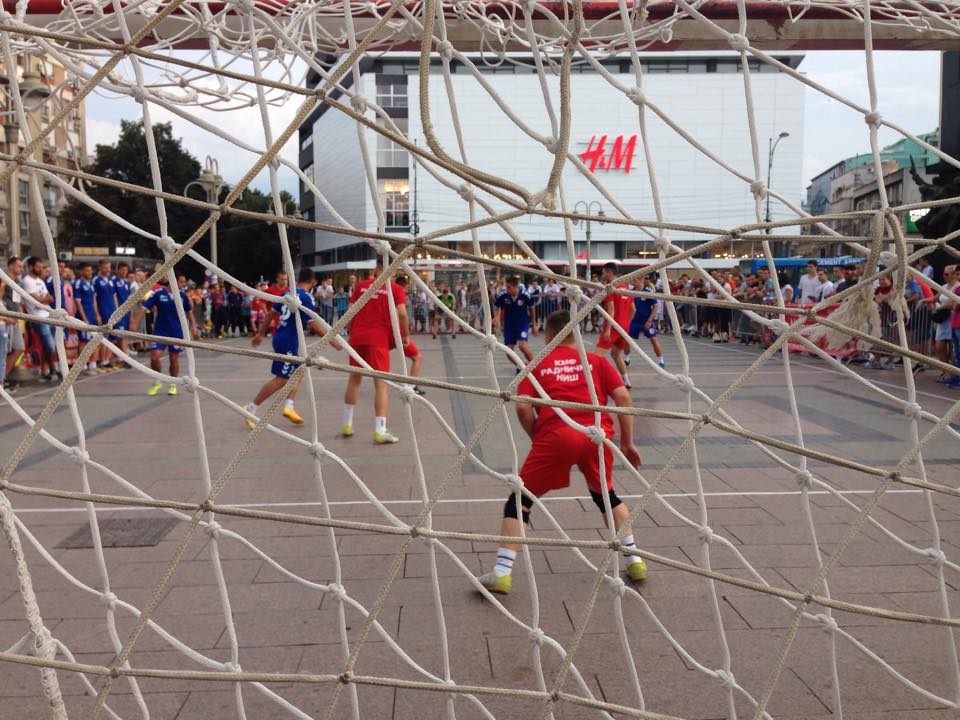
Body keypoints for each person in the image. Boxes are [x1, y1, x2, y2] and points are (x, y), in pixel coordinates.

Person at [476, 310, 647, 595]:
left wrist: (537, 437)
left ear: (548, 334)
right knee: (606, 496)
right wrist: (628, 443)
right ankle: (635, 561)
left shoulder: (538, 364)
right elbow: (624, 399)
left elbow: (521, 406)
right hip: (597, 435)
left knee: (520, 499)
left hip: (557, 435)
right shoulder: (597, 361)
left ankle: (502, 573)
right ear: (577, 334)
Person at [246, 268, 334, 426]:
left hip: (281, 337)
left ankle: (289, 406)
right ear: (313, 282)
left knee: (300, 370)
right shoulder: (305, 297)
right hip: (288, 341)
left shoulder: (287, 294)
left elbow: (270, 315)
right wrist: (332, 340)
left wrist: (260, 333)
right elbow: (312, 323)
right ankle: (251, 408)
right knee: (281, 379)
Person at [341, 260, 408, 444]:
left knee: (354, 381)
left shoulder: (362, 286)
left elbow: (350, 312)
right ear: (392, 270)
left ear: (376, 269)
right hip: (377, 340)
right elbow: (402, 313)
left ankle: (347, 424)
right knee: (381, 384)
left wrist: (350, 331)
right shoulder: (395, 288)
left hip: (357, 338)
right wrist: (405, 335)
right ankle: (380, 430)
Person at [132, 275, 197, 396]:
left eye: (183, 282)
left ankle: (172, 384)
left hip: (176, 332)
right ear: (173, 280)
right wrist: (135, 322)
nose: (183, 284)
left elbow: (189, 312)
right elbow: (144, 307)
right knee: (154, 356)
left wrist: (193, 325)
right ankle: (157, 381)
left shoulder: (182, 295)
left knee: (174, 359)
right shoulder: (159, 293)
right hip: (160, 331)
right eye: (181, 282)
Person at [21, 256, 59, 381]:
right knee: (50, 345)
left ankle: (45, 370)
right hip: (37, 318)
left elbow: (50, 298)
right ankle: (53, 368)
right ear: (30, 267)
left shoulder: (41, 281)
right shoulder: (27, 281)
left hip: (48, 315)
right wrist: (44, 299)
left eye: (41, 267)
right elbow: (37, 301)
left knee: (48, 346)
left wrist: (43, 299)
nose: (40, 269)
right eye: (38, 267)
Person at [596, 262, 633, 387]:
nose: (602, 274)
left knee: (596, 357)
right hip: (624, 327)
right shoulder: (625, 288)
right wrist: (626, 322)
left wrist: (608, 330)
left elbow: (611, 310)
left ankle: (597, 382)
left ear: (609, 272)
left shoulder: (610, 288)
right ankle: (626, 381)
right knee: (615, 354)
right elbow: (633, 309)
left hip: (613, 327)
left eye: (604, 272)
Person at [393, 276, 426, 396]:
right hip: (397, 332)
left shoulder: (389, 291)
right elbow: (401, 313)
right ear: (404, 285)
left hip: (387, 329)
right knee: (418, 357)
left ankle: (412, 385)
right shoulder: (399, 292)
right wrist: (406, 333)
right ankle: (412, 387)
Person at [494, 276, 534, 369]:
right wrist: (496, 317)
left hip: (522, 323)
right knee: (508, 351)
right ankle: (520, 367)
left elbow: (532, 308)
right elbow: (496, 306)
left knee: (522, 346)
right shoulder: (503, 295)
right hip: (509, 325)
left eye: (509, 287)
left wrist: (534, 324)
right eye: (506, 287)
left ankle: (534, 366)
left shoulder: (525, 295)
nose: (507, 289)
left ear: (515, 286)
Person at [628, 276, 665, 368]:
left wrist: (649, 320)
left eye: (635, 279)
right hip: (634, 320)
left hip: (646, 320)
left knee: (653, 338)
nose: (633, 281)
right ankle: (626, 358)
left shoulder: (648, 292)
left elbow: (655, 306)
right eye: (633, 280)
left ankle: (661, 360)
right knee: (627, 339)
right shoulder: (630, 291)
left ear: (641, 280)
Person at [73, 263, 100, 375]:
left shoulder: (91, 284)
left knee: (94, 340)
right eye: (87, 271)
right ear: (82, 271)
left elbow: (94, 301)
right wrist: (84, 318)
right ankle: (82, 366)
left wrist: (97, 314)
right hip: (83, 316)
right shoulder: (79, 283)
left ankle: (93, 365)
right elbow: (78, 302)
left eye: (91, 271)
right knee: (83, 341)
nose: (90, 273)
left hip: (91, 316)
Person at [92, 259, 119, 371]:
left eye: (109, 267)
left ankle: (107, 360)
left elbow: (114, 296)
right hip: (103, 311)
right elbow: (93, 298)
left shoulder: (110, 280)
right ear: (100, 268)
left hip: (111, 312)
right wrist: (97, 313)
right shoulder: (96, 280)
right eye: (105, 267)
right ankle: (102, 361)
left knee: (112, 338)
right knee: (103, 338)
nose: (108, 269)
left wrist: (117, 310)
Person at [113, 262, 133, 367]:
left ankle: (122, 357)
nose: (125, 272)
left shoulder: (127, 283)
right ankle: (125, 358)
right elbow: (114, 297)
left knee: (123, 335)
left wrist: (131, 314)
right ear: (118, 270)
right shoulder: (114, 282)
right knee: (120, 336)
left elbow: (129, 300)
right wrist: (117, 311)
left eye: (126, 270)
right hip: (119, 313)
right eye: (123, 270)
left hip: (126, 313)